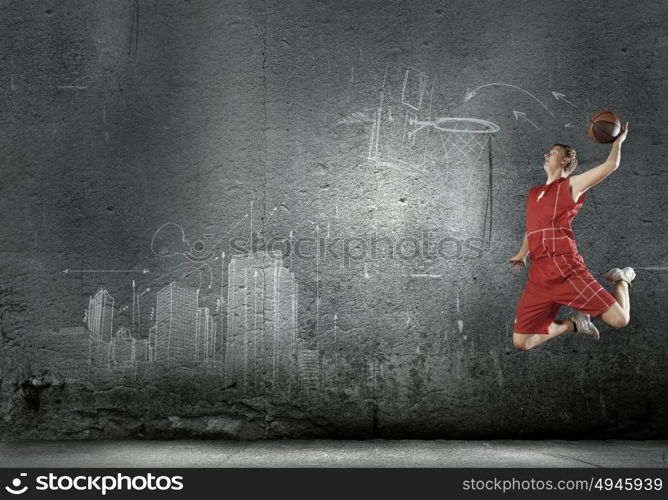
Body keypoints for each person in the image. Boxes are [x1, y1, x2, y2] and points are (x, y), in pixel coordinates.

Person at [508, 123, 634, 350]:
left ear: (565, 160)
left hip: (565, 269)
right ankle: (574, 324)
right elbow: (532, 229)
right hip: (539, 274)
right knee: (521, 342)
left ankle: (622, 279)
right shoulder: (533, 193)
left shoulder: (571, 186)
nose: (547, 156)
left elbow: (611, 164)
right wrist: (521, 253)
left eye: (553, 153)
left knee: (620, 319)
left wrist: (617, 143)